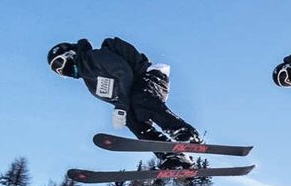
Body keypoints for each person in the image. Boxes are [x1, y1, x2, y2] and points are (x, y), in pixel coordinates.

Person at [47, 37, 199, 170]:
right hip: (134, 93)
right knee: (132, 120)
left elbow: (124, 73)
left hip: (148, 77)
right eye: (58, 72)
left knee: (141, 100)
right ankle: (172, 155)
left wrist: (121, 107)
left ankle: (185, 133)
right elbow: (117, 97)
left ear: (70, 54)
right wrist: (124, 112)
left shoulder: (94, 57)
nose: (62, 70)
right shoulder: (90, 82)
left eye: (60, 63)